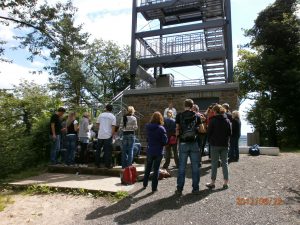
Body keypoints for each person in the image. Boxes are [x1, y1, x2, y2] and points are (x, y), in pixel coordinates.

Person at [175, 99, 203, 195]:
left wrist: (178, 140)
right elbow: (202, 129)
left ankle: (179, 189)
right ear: (192, 106)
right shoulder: (197, 116)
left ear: (184, 105)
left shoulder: (179, 115)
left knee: (182, 167)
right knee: (195, 167)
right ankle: (195, 189)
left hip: (183, 143)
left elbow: (177, 130)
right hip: (194, 143)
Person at [206, 104, 232, 189]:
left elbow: (209, 133)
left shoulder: (212, 120)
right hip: (224, 144)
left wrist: (210, 141)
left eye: (213, 111)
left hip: (215, 144)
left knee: (214, 164)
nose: (212, 112)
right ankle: (225, 183)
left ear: (215, 111)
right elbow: (230, 133)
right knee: (225, 163)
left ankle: (212, 183)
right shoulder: (227, 120)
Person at [143, 111, 168, 193]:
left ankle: (144, 184)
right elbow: (165, 141)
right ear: (160, 118)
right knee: (156, 170)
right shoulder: (161, 128)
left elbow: (147, 138)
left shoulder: (147, 127)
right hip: (158, 151)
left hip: (150, 150)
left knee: (148, 168)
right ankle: (154, 188)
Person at [95, 104, 116, 169]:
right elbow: (113, 127)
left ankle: (97, 164)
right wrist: (112, 135)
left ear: (106, 108)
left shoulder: (101, 115)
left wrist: (100, 130)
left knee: (98, 150)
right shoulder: (113, 116)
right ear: (111, 109)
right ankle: (107, 165)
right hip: (108, 135)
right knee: (108, 151)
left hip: (100, 135)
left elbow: (97, 124)